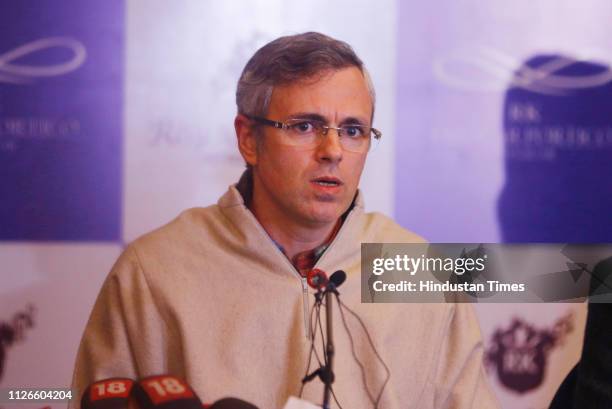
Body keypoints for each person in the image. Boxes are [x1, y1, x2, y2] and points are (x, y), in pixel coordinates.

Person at [71, 32, 499, 408]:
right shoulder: (154, 271)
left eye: (353, 130)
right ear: (248, 139)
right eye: (305, 126)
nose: (332, 150)